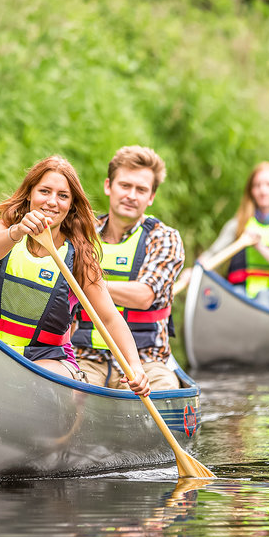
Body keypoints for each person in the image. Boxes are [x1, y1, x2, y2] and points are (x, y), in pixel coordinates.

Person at [0, 155, 150, 397]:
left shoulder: (79, 258)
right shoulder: (2, 228)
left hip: (49, 359)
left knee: (35, 376)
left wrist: (135, 367)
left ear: (71, 205)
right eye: (44, 191)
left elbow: (109, 318)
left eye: (63, 196)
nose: (52, 202)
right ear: (30, 194)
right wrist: (17, 231)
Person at [71, 146, 185, 391]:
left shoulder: (164, 238)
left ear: (151, 197)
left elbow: (143, 296)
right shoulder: (82, 235)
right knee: (68, 389)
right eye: (125, 186)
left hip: (147, 361)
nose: (131, 195)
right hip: (87, 358)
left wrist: (87, 285)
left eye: (141, 189)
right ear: (108, 186)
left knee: (164, 387)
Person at [195, 161, 269, 312]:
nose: (263, 191)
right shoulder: (237, 225)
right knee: (235, 295)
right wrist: (195, 270)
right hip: (243, 294)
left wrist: (260, 247)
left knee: (263, 296)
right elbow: (213, 254)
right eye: (257, 185)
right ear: (251, 191)